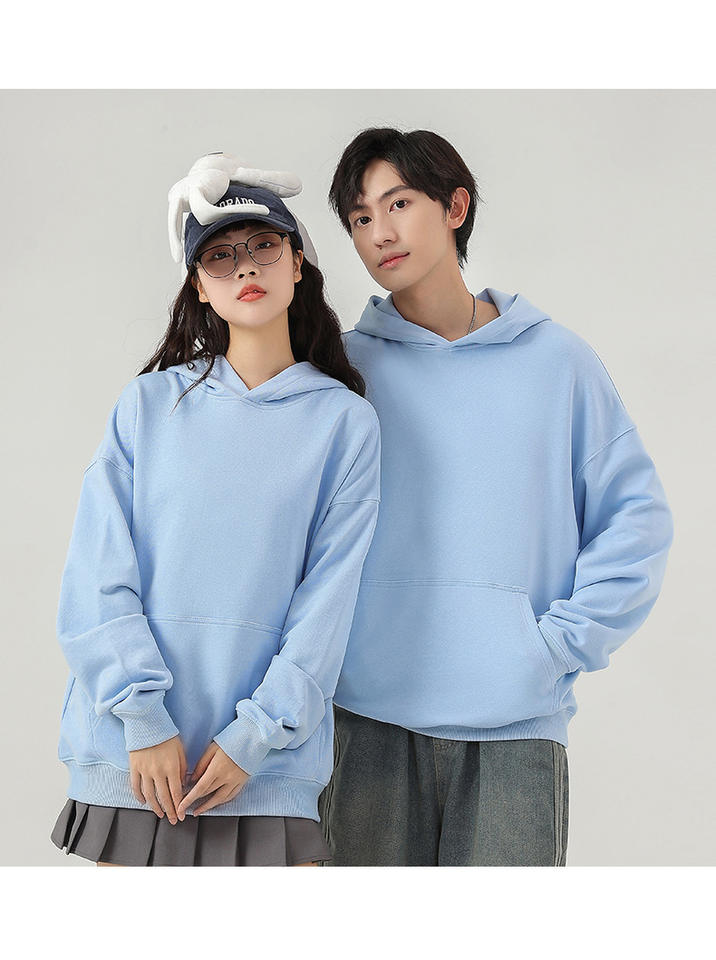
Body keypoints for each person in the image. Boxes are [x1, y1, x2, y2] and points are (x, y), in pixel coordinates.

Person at [317, 127, 673, 867]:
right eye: (359, 217)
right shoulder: (344, 373)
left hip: (516, 727)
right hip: (364, 720)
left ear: (455, 207)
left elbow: (635, 519)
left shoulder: (558, 361)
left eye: (398, 204)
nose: (379, 232)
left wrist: (554, 648)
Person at [50, 152, 381, 867]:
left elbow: (328, 606)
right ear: (198, 284)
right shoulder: (148, 406)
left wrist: (255, 736)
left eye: (264, 246)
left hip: (265, 768)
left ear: (298, 262)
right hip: (135, 759)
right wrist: (144, 718)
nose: (245, 268)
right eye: (220, 256)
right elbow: (97, 576)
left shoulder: (344, 423)